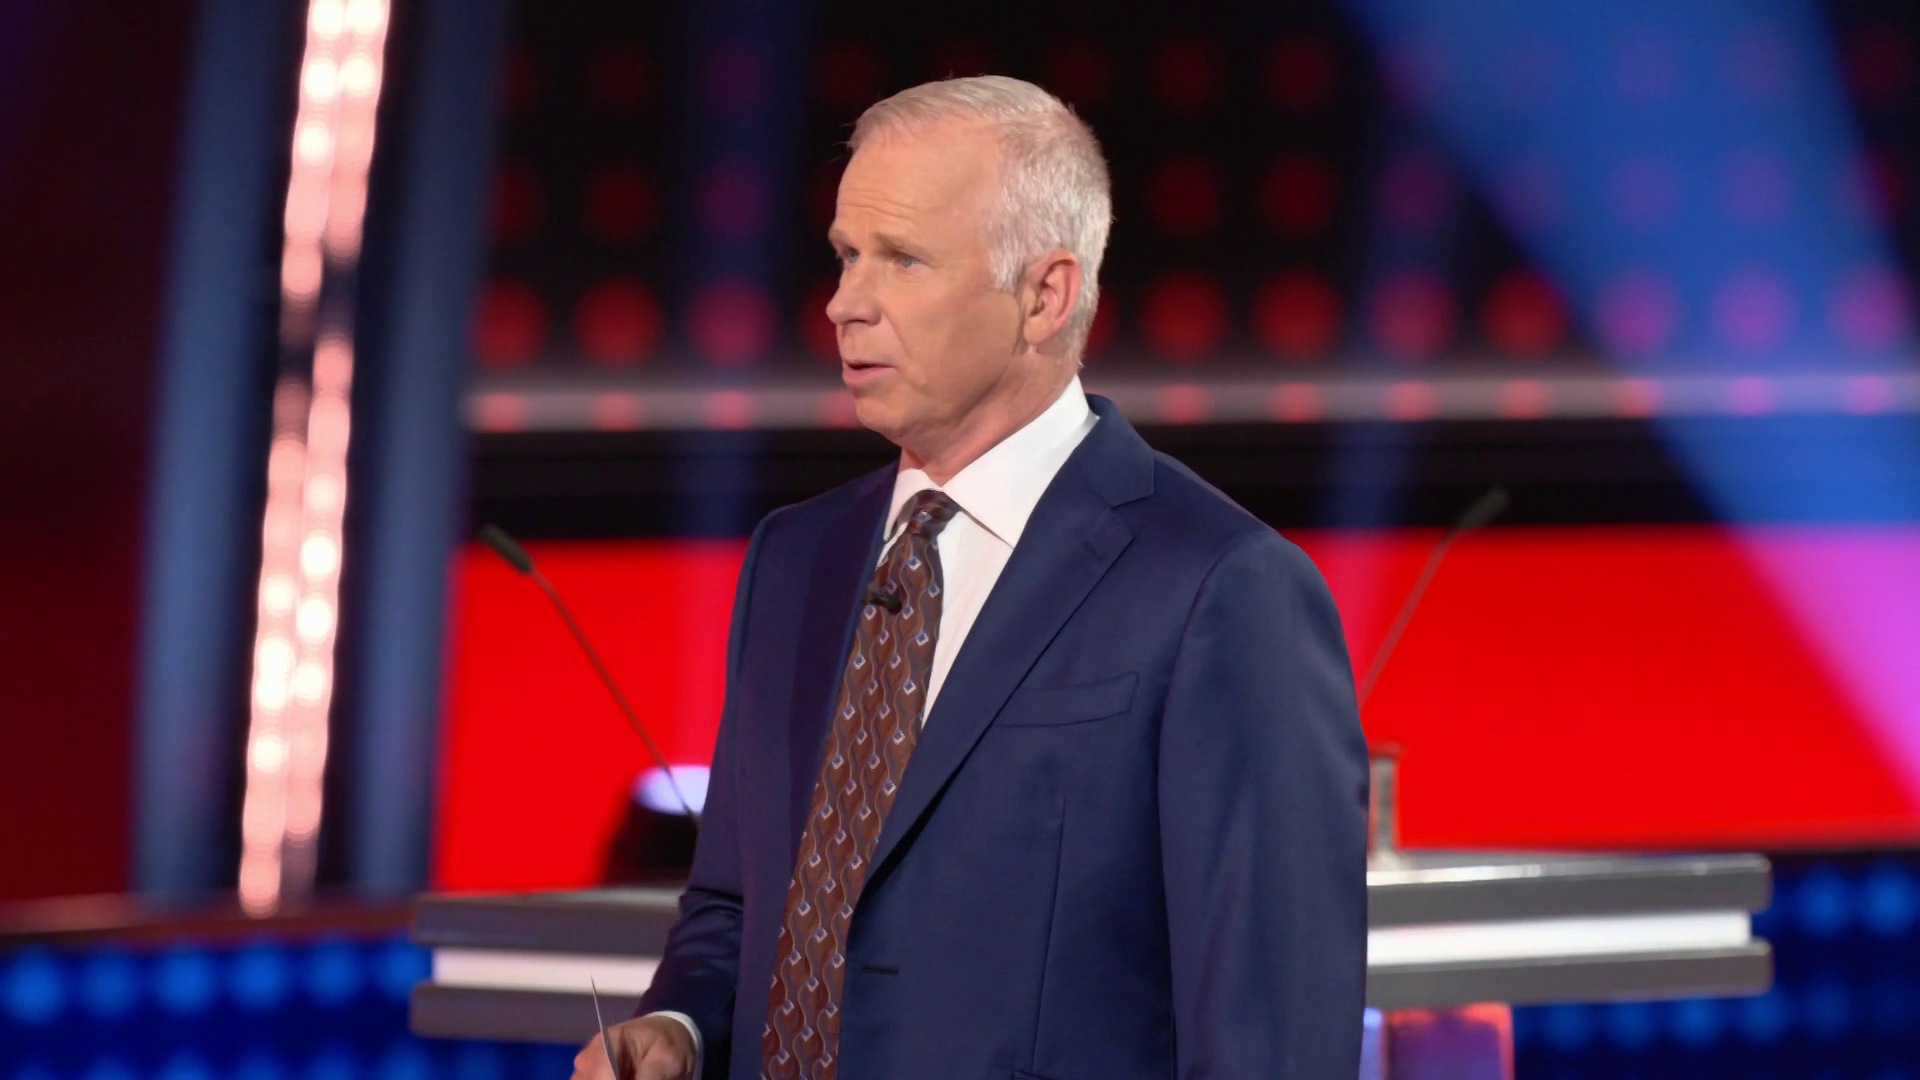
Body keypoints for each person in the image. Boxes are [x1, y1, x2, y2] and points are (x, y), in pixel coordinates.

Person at [571, 75, 1367, 1080]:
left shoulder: (1220, 585)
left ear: (1045, 296)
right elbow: (735, 903)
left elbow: (1271, 1029)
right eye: (847, 256)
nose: (845, 304)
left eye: (902, 260)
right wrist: (680, 1026)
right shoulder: (794, 558)